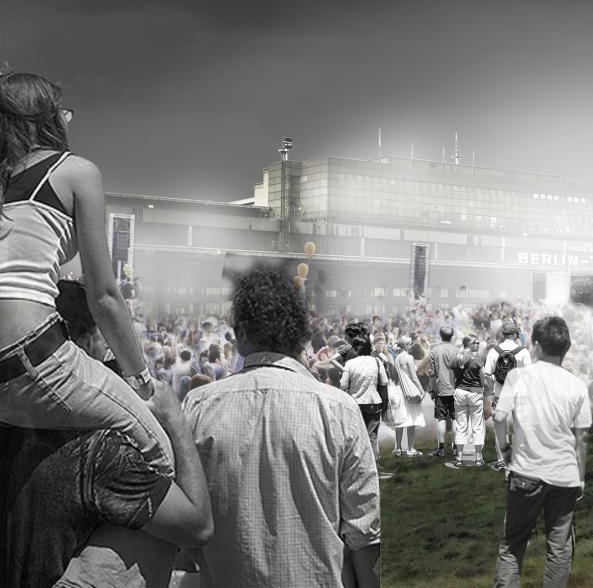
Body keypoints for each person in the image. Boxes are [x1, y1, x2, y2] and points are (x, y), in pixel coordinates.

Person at [0, 73, 172, 483]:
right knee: (159, 454)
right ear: (48, 119)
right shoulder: (76, 172)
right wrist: (140, 380)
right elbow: (105, 296)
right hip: (30, 353)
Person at [0, 279, 212, 588]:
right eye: (102, 340)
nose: (108, 351)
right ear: (79, 346)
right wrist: (175, 420)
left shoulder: (10, 422)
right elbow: (198, 527)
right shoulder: (100, 451)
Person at [183, 266, 380, 588]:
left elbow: (185, 535)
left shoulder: (197, 407)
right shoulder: (338, 409)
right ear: (301, 335)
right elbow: (366, 534)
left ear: (241, 333)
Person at [492, 316, 591, 588]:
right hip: (565, 474)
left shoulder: (517, 377)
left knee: (513, 543)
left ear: (534, 345)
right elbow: (581, 438)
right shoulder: (577, 385)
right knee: (559, 548)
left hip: (525, 471)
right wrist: (580, 477)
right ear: (566, 348)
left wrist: (505, 453)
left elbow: (499, 418)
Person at [340, 324, 391, 471]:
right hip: (373, 403)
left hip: (354, 404)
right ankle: (374, 467)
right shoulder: (376, 362)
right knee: (372, 437)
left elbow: (343, 385)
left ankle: (358, 466)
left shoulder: (349, 363)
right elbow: (385, 382)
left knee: (356, 436)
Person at [485, 322, 532, 472]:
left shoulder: (494, 351)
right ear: (515, 334)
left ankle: (501, 460)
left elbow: (487, 374)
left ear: (502, 335)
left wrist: (492, 390)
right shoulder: (523, 351)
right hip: (520, 393)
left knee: (500, 426)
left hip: (500, 393)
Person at [449, 336, 487, 468]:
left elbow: (451, 378)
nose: (477, 344)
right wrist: (482, 389)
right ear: (468, 345)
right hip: (475, 392)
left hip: (460, 392)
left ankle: (459, 458)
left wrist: (457, 388)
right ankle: (478, 458)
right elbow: (483, 379)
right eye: (474, 343)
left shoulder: (455, 359)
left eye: (478, 342)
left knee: (461, 426)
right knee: (477, 426)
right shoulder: (477, 359)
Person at [425, 325, 461, 457]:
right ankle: (456, 447)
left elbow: (432, 372)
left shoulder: (434, 350)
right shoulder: (457, 350)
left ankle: (440, 449)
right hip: (455, 389)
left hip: (440, 389)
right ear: (452, 336)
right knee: (455, 418)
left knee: (440, 419)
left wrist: (431, 389)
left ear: (441, 335)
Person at [390, 336, 427, 457]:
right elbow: (413, 377)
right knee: (411, 420)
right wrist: (422, 391)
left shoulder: (397, 358)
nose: (411, 345)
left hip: (400, 391)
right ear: (404, 345)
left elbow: (395, 377)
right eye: (409, 343)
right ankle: (410, 448)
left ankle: (399, 448)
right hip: (410, 392)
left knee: (400, 421)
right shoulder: (409, 358)